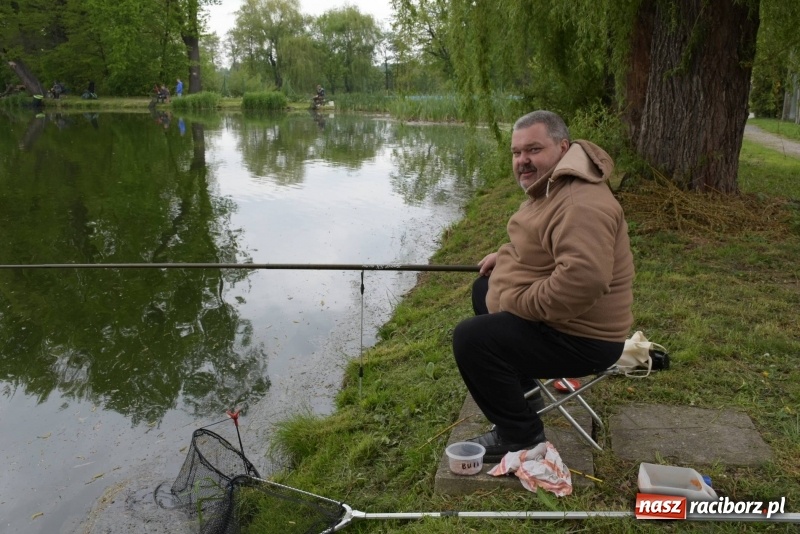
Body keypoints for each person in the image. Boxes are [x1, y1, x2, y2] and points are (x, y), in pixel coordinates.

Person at [453, 110, 635, 463]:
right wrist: (504, 257)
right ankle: (526, 393)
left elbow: (582, 281)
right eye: (516, 152)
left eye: (533, 150)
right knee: (484, 289)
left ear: (562, 146)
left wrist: (514, 299)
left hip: (586, 340)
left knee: (471, 339)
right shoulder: (557, 183)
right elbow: (540, 244)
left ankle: (521, 438)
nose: (523, 161)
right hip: (569, 324)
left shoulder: (578, 202)